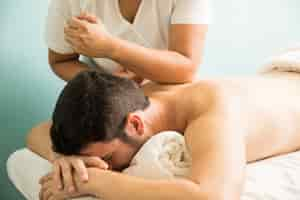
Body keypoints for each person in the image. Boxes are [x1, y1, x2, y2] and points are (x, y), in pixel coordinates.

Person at [27, 70, 300, 200]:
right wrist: (61, 157)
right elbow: (36, 132)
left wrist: (95, 182)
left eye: (108, 158)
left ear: (135, 125)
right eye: (94, 163)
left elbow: (213, 197)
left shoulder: (211, 111)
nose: (102, 165)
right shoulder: (121, 102)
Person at [46, 0, 211, 83]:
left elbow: (186, 67)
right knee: (40, 134)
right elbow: (60, 61)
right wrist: (107, 82)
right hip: (106, 97)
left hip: (169, 94)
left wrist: (110, 47)